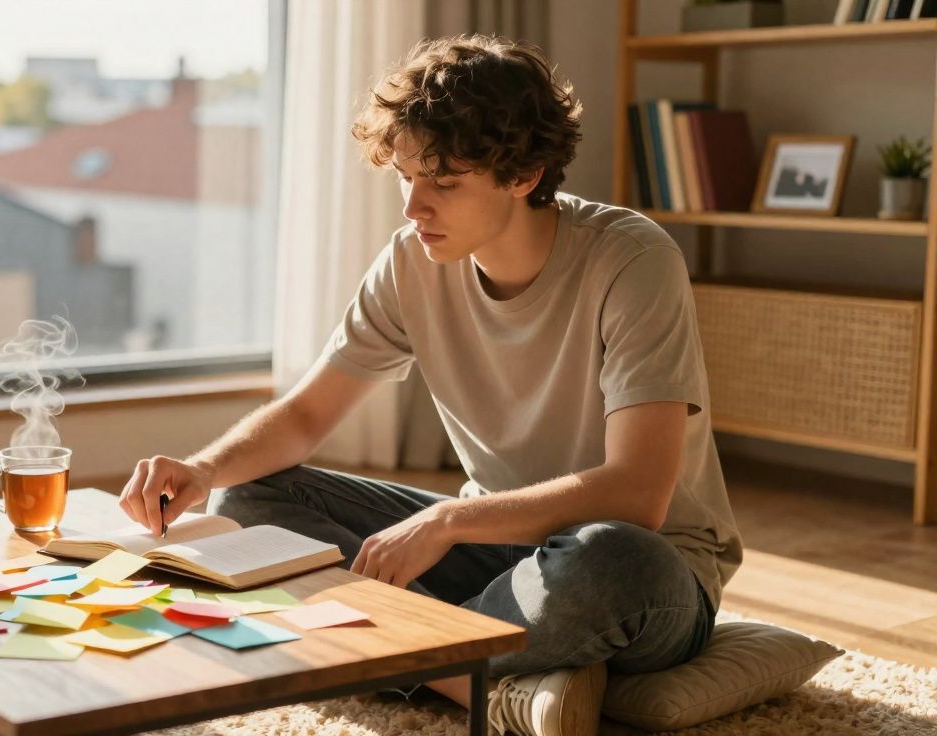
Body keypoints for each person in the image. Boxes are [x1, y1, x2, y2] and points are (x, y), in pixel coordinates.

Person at [118, 34, 741, 736]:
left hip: (648, 572)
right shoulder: (410, 262)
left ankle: (383, 650)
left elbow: (637, 494)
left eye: (445, 183)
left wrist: (446, 521)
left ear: (525, 174)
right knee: (253, 495)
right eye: (406, 177)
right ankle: (477, 682)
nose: (415, 208)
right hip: (495, 554)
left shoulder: (632, 260)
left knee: (608, 560)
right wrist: (199, 469)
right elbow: (304, 417)